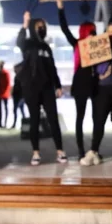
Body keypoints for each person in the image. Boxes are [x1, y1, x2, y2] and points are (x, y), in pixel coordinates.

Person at [82, 3, 112, 166]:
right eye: (108, 30)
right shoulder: (100, 46)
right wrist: (89, 44)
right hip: (103, 88)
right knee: (99, 119)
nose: (111, 33)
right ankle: (93, 151)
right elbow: (90, 63)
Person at [17, 10, 66, 165]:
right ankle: (36, 153)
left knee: (53, 120)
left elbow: (52, 68)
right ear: (32, 28)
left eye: (43, 27)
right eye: (39, 26)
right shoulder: (28, 44)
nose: (41, 29)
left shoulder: (46, 47)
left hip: (47, 88)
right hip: (31, 88)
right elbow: (20, 41)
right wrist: (25, 24)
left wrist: (57, 85)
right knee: (34, 120)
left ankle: (60, 151)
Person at [57, 0, 98, 157]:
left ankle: (94, 149)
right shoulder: (77, 44)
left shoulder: (99, 46)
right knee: (80, 117)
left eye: (93, 32)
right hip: (81, 83)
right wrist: (60, 8)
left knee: (97, 118)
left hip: (95, 83)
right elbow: (65, 29)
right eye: (90, 31)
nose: (92, 34)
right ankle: (81, 150)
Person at [0, 61, 12, 129]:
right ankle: (0, 123)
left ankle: (4, 123)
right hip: (0, 93)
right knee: (1, 109)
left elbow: (7, 83)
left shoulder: (4, 73)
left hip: (3, 93)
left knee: (4, 108)